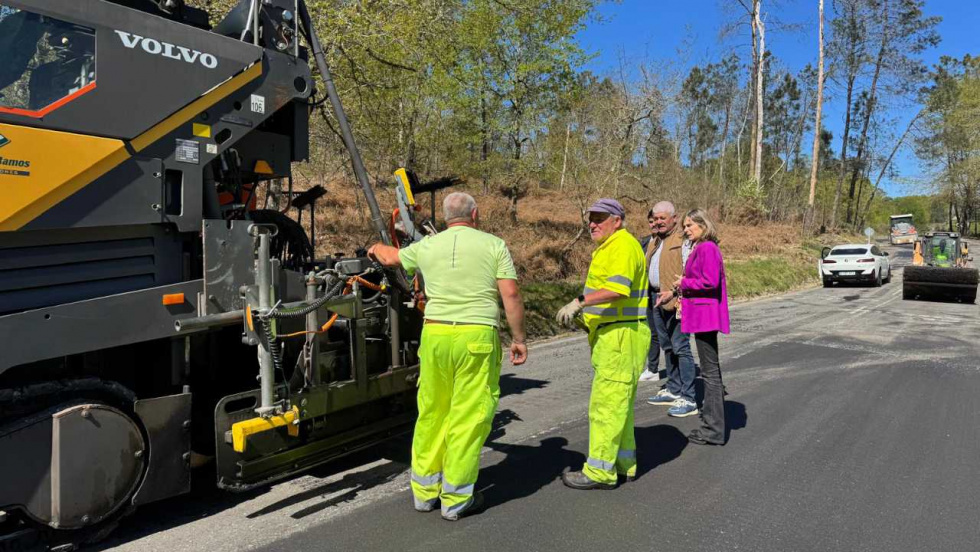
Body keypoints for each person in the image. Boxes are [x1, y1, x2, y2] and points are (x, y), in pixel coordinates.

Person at [367, 192, 528, 520]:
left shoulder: (428, 246)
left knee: (432, 412)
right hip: (475, 337)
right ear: (476, 214)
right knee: (467, 415)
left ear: (444, 216)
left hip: (436, 335)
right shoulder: (494, 245)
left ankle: (425, 493)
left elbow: (391, 257)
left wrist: (374, 247)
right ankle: (456, 498)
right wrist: (519, 338)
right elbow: (510, 293)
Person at [555, 198, 650, 489]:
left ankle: (599, 472)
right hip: (617, 335)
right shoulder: (611, 247)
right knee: (619, 406)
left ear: (617, 220)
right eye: (590, 219)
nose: (592, 224)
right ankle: (622, 464)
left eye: (600, 218)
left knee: (606, 406)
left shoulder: (621, 245)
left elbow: (618, 290)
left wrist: (580, 302)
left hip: (620, 337)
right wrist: (588, 320)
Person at [657, 208, 730, 445]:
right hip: (703, 316)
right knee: (711, 372)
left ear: (703, 225)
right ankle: (712, 424)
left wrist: (684, 282)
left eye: (690, 225)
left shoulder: (707, 247)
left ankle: (714, 429)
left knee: (710, 373)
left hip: (705, 316)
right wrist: (675, 291)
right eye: (685, 226)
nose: (686, 229)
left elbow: (709, 281)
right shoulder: (703, 247)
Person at [644, 201, 697, 418]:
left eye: (662, 218)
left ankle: (689, 397)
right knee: (667, 346)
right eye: (655, 219)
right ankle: (674, 389)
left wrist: (677, 294)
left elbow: (690, 271)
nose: (658, 222)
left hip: (677, 300)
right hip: (657, 298)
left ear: (674, 218)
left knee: (681, 347)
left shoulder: (683, 240)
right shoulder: (654, 241)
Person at [638, 212, 661, 383]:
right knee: (652, 332)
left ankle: (673, 372)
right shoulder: (644, 242)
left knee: (665, 334)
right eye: (651, 222)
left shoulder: (667, 242)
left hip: (663, 292)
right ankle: (652, 368)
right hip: (647, 293)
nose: (653, 224)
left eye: (657, 221)